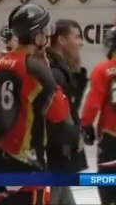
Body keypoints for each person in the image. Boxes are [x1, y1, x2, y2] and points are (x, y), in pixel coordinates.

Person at [0, 4, 80, 205]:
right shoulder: (35, 68)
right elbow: (59, 113)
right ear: (37, 35)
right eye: (45, 31)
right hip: (26, 168)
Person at [45, 19, 89, 205]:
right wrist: (73, 135)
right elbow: (53, 116)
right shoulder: (55, 73)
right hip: (54, 156)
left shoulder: (63, 70)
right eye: (77, 36)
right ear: (62, 40)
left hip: (60, 154)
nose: (81, 42)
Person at [80, 26, 116, 205]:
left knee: (108, 184)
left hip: (111, 138)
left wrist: (86, 126)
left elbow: (93, 102)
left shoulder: (103, 70)